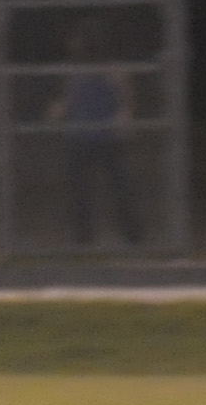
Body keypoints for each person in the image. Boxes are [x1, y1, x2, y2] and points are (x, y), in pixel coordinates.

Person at [53, 20, 144, 247]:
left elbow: (127, 99)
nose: (74, 46)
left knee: (120, 187)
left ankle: (132, 236)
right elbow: (67, 100)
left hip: (108, 137)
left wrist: (126, 115)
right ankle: (83, 238)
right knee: (79, 192)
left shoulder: (113, 69)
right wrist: (58, 109)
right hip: (80, 137)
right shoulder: (72, 72)